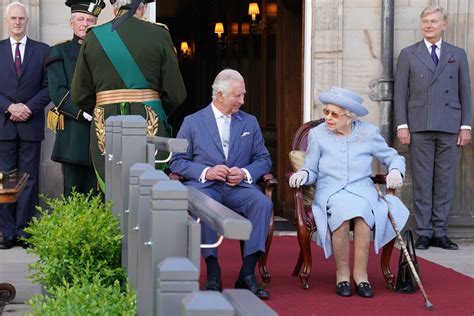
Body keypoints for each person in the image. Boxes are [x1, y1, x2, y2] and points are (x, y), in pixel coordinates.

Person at [289, 87, 409, 298]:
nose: (328, 117)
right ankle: (342, 274)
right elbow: (312, 168)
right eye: (326, 111)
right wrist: (304, 175)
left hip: (362, 190)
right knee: (342, 215)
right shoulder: (317, 134)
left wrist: (397, 170)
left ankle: (361, 276)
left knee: (363, 215)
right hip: (331, 191)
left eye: (334, 114)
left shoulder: (368, 133)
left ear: (349, 117)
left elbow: (393, 157)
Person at [169, 69, 272, 300]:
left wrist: (245, 173)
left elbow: (264, 159)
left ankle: (247, 274)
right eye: (237, 96)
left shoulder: (250, 122)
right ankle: (213, 272)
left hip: (238, 188)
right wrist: (207, 171)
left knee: (262, 204)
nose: (242, 101)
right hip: (205, 187)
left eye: (242, 95)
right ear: (219, 95)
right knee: (206, 205)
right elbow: (177, 161)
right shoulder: (192, 122)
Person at [71, 0, 186, 191]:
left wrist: (104, 106)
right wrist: (153, 106)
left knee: (113, 193)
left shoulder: (94, 37)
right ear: (144, 8)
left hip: (105, 121)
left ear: (114, 8)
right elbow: (175, 93)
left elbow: (79, 94)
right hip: (149, 119)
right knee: (147, 191)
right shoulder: (159, 34)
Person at [394, 5, 471, 251]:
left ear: (444, 24)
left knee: (445, 181)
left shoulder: (457, 54)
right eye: (425, 21)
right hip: (420, 124)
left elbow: (465, 92)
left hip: (449, 124)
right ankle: (424, 232)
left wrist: (466, 126)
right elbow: (399, 93)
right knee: (423, 180)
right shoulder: (408, 54)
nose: (428, 25)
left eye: (433, 21)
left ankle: (441, 231)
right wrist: (402, 125)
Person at [0, 2, 50, 249]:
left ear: (26, 21)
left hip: (30, 124)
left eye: (21, 18)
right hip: (4, 125)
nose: (17, 22)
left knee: (28, 179)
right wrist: (9, 107)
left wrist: (27, 108)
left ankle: (26, 232)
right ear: (6, 21)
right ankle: (8, 233)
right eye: (13, 18)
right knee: (6, 180)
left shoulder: (43, 51)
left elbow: (49, 87)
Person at [47, 0, 106, 197]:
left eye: (90, 20)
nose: (85, 24)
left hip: (101, 134)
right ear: (71, 23)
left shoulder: (106, 51)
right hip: (73, 134)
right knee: (72, 195)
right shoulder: (59, 51)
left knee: (98, 196)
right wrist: (83, 113)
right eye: (80, 19)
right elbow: (57, 91)